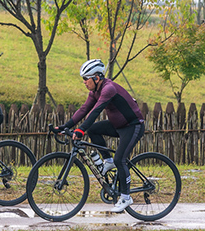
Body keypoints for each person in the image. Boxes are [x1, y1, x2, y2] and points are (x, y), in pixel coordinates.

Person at [59, 58, 145, 212]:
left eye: (86, 79)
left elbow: (96, 111)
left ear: (97, 77)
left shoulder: (108, 89)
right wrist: (65, 126)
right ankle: (108, 160)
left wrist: (80, 130)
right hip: (117, 125)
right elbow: (84, 109)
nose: (84, 82)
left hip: (133, 126)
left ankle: (126, 197)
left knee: (121, 159)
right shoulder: (95, 91)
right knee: (93, 129)